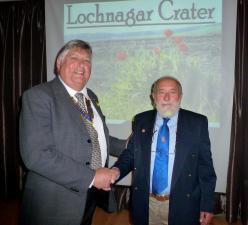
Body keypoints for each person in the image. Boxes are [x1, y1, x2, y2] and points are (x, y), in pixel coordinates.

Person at [19, 40, 125, 225]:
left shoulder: (91, 96)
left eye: (87, 61)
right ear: (59, 64)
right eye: (74, 58)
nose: (82, 65)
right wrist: (92, 177)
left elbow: (95, 136)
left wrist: (129, 145)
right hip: (56, 201)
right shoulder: (39, 96)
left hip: (89, 193)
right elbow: (36, 155)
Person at [112, 76, 217, 225]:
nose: (167, 97)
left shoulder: (197, 123)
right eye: (161, 92)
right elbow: (130, 155)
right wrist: (115, 171)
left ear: (180, 96)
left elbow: (205, 167)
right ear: (153, 97)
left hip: (183, 204)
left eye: (172, 92)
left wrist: (207, 204)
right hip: (146, 202)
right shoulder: (141, 120)